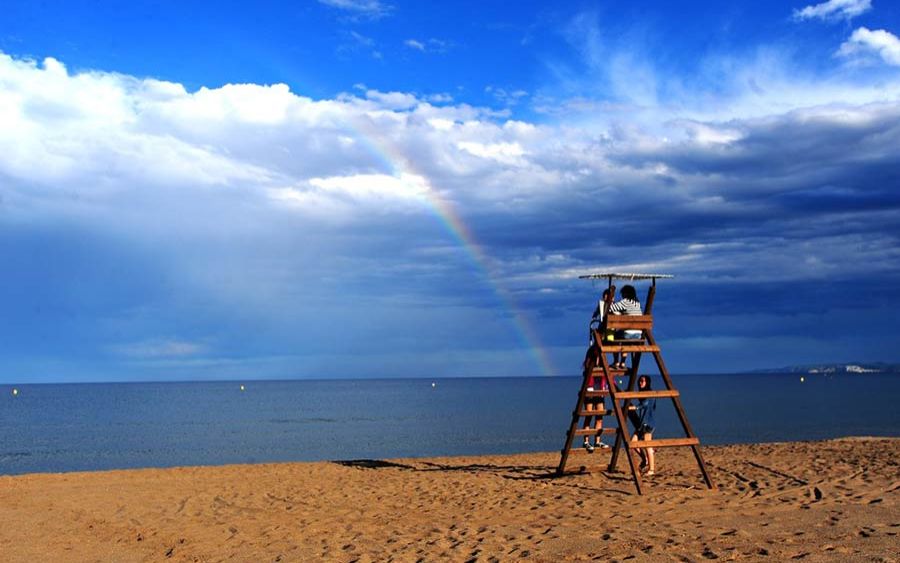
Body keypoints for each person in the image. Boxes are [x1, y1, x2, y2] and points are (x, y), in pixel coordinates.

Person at [583, 289, 612, 451]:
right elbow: (588, 367)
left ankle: (597, 439)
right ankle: (587, 440)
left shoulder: (604, 352)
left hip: (600, 384)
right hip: (592, 384)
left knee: (599, 413)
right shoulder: (593, 351)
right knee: (589, 413)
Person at [608, 284, 643, 369]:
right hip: (639, 335)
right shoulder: (637, 303)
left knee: (613, 336)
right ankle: (622, 363)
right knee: (625, 341)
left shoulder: (625, 302)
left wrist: (611, 300)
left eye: (622, 294)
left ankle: (616, 362)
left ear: (625, 294)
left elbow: (610, 308)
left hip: (628, 333)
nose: (622, 296)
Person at [627, 374, 657, 475]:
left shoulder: (650, 392)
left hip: (648, 424)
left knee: (647, 445)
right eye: (639, 381)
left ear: (647, 382)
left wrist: (635, 407)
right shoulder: (642, 393)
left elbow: (646, 404)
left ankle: (651, 469)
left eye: (642, 381)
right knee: (633, 442)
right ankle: (645, 460)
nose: (640, 383)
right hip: (642, 424)